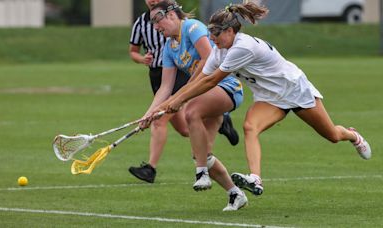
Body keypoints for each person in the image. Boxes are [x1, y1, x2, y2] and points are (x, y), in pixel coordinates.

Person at [155, 1, 372, 197]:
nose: (211, 39)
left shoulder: (242, 47)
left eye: (215, 34)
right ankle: (256, 179)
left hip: (294, 89)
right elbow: (199, 79)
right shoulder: (220, 50)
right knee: (250, 126)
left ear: (230, 31)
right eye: (210, 33)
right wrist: (170, 103)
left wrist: (177, 102)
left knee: (332, 135)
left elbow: (211, 82)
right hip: (269, 97)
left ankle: (353, 136)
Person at [143, 0, 247, 211]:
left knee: (191, 111)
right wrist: (150, 113)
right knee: (201, 152)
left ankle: (201, 173)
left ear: (172, 15)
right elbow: (165, 88)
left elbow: (209, 59)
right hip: (203, 95)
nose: (155, 26)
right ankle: (235, 193)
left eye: (157, 19)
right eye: (152, 22)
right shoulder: (169, 48)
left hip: (227, 87)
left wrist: (183, 96)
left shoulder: (193, 28)